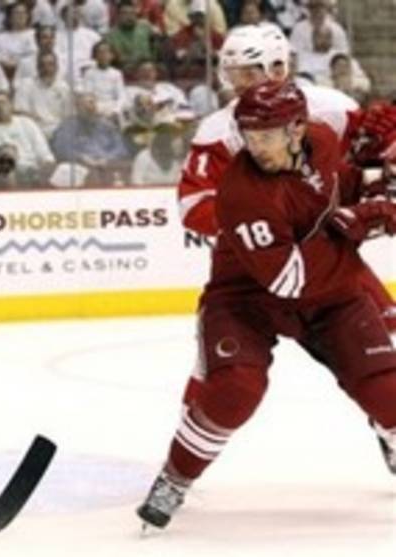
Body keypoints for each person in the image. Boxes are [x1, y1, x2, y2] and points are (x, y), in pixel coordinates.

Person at [137, 80, 396, 530]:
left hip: (330, 297)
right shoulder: (242, 193)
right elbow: (289, 280)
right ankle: (174, 478)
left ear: (297, 130)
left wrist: (375, 190)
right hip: (247, 300)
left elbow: (338, 183)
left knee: (388, 392)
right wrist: (363, 223)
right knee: (235, 391)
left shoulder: (322, 141)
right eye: (249, 136)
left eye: (266, 136)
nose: (256, 147)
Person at [175, 22, 396, 477]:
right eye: (235, 73)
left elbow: (365, 160)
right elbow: (193, 205)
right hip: (257, 264)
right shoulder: (218, 129)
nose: (238, 83)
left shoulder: (329, 107)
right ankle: (183, 453)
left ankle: (388, 427)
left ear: (280, 67)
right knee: (223, 374)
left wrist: (382, 166)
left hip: (327, 256)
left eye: (249, 71)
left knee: (385, 337)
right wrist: (261, 226)